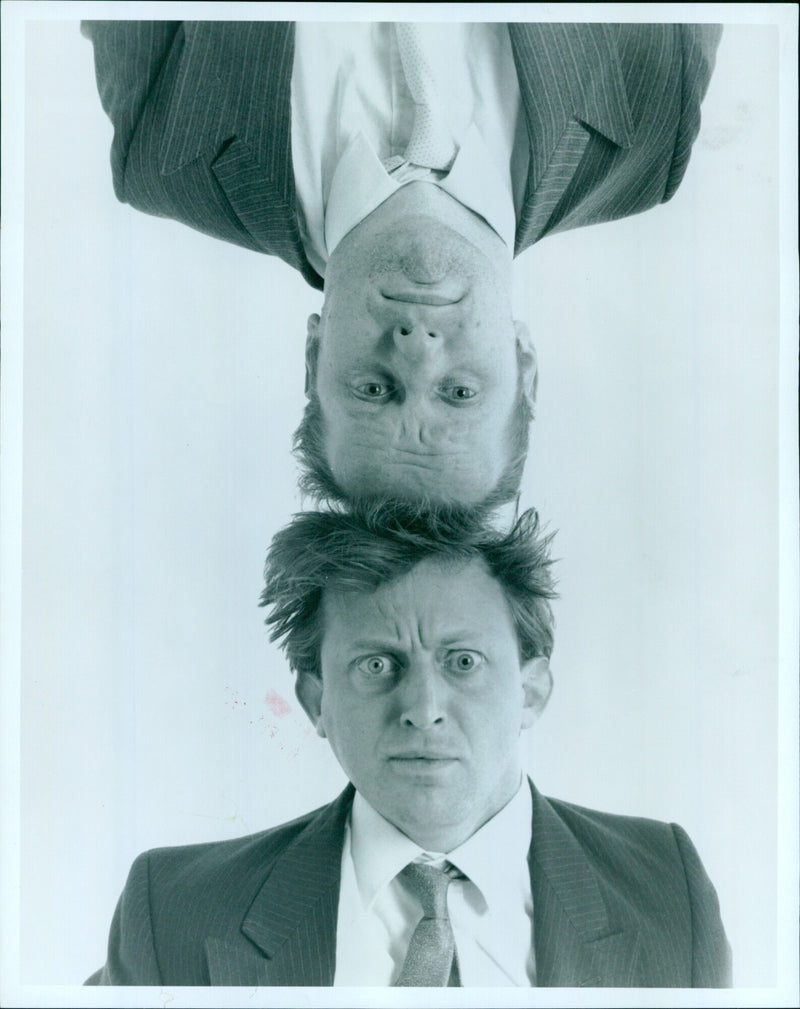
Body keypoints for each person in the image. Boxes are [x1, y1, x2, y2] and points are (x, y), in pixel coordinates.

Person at [82, 21, 722, 506]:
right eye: (460, 393)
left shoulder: (163, 160)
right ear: (524, 367)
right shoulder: (652, 135)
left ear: (313, 359)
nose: (416, 350)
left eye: (373, 390)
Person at [87, 504, 731, 986]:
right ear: (317, 702)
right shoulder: (174, 907)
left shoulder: (668, 892)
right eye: (376, 665)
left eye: (464, 661)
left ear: (532, 691)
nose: (423, 711)